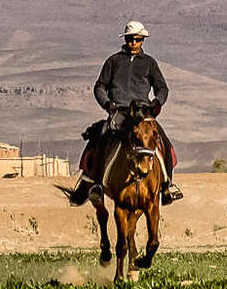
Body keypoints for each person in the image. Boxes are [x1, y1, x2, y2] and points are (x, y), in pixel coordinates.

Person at [67, 20, 182, 205]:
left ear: (143, 40)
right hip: (118, 112)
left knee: (164, 143)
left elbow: (162, 88)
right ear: (126, 39)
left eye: (137, 39)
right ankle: (91, 183)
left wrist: (157, 103)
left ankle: (167, 186)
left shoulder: (149, 63)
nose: (133, 43)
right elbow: (99, 87)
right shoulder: (113, 61)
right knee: (98, 139)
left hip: (142, 113)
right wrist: (107, 104)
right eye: (130, 39)